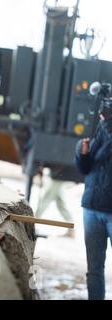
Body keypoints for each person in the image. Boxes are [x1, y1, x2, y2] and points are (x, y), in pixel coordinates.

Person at [75, 113, 112, 300]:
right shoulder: (101, 128)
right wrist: (82, 152)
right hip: (92, 208)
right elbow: (84, 168)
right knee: (94, 270)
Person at [35, 168, 75, 237]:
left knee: (45, 200)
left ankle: (32, 222)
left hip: (59, 174)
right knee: (60, 204)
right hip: (60, 174)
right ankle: (71, 228)